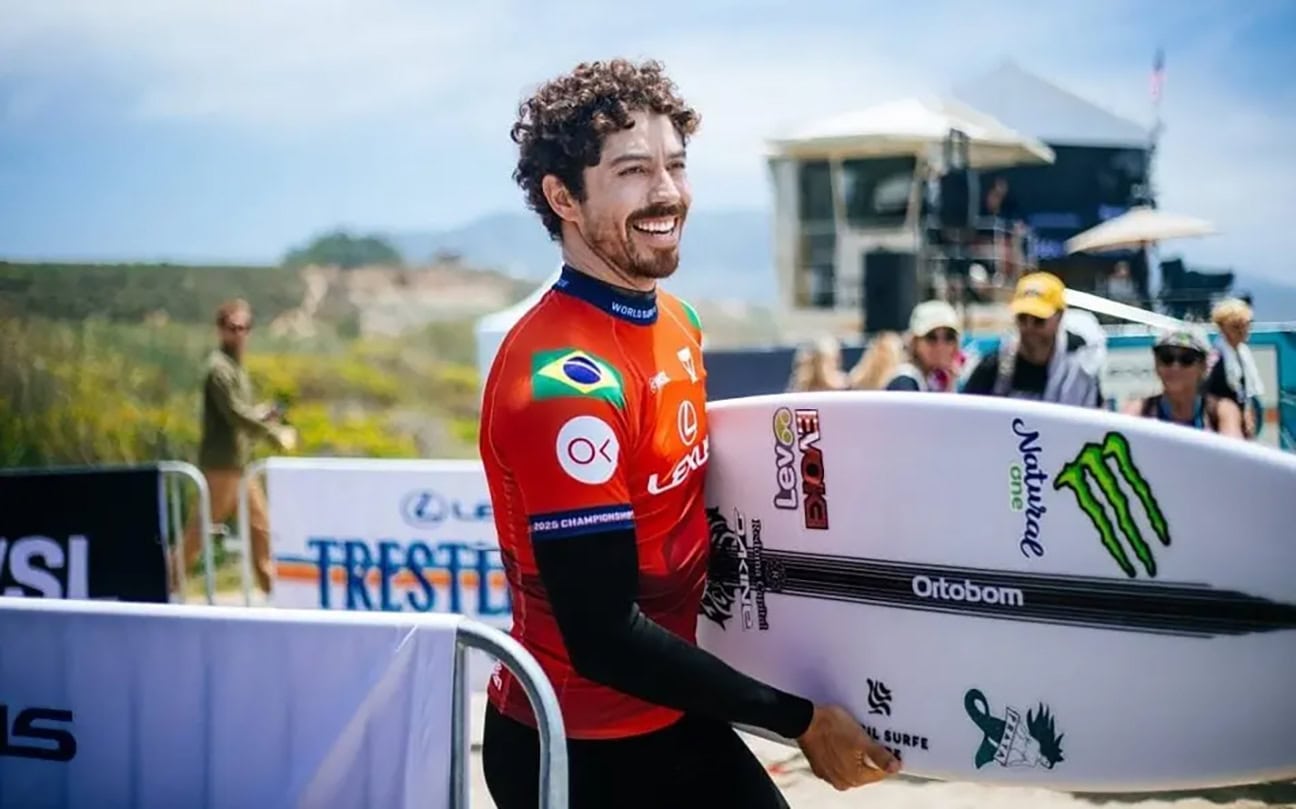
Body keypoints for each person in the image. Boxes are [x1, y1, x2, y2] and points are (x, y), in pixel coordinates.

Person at [477, 59, 900, 809]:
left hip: (670, 716)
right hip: (573, 748)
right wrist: (798, 719)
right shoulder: (559, 382)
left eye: (675, 164)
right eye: (632, 171)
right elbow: (603, 635)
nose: (667, 191)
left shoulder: (678, 323)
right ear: (563, 197)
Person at [178, 298, 296, 599]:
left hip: (240, 464)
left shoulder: (234, 368)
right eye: (233, 328)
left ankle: (274, 593)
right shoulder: (219, 369)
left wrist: (263, 413)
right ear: (221, 330)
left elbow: (240, 412)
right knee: (201, 531)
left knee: (261, 529)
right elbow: (233, 413)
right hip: (223, 465)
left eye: (245, 327)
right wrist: (273, 433)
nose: (240, 333)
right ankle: (164, 584)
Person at [962, 271, 1104, 407]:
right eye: (1022, 318)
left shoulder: (1079, 371)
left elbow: (1096, 421)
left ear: (1059, 317)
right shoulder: (994, 368)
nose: (1029, 328)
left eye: (1038, 320)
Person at [1122, 327, 1243, 437]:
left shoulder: (1221, 411)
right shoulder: (1139, 410)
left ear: (1203, 366)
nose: (1175, 367)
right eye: (1166, 358)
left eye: (1187, 359)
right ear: (1156, 364)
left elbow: (1235, 454)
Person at [1204, 297, 1263, 439]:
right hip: (1221, 431)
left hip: (1239, 426)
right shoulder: (1215, 357)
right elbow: (1205, 394)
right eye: (1236, 326)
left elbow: (1244, 392)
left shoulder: (1242, 354)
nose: (1243, 330)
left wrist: (1247, 412)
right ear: (1223, 328)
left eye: (1246, 325)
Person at [876, 300, 963, 392]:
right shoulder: (905, 381)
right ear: (915, 342)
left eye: (949, 337)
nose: (941, 346)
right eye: (931, 337)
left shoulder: (930, 382)